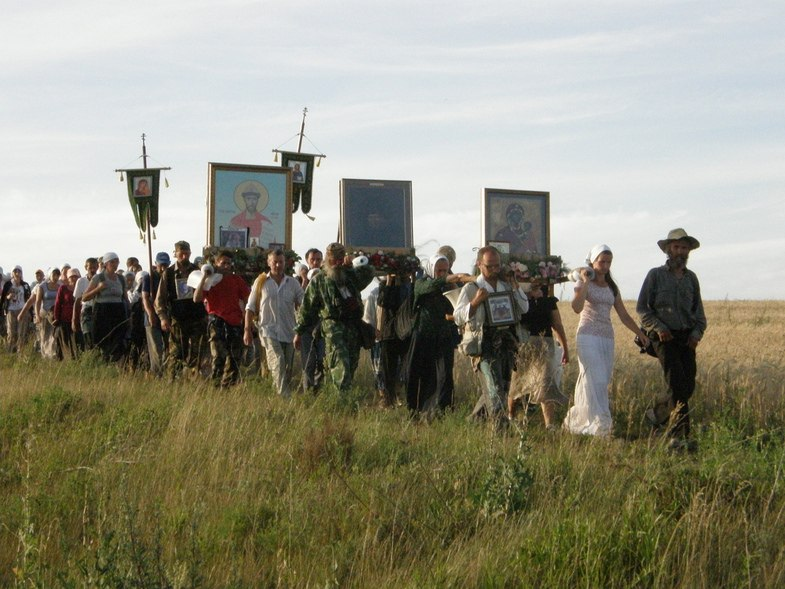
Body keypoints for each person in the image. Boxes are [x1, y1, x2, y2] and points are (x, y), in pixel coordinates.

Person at [563, 245, 650, 436]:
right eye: (601, 261)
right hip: (587, 335)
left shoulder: (612, 287)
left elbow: (623, 315)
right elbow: (576, 307)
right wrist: (585, 281)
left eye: (608, 262)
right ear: (592, 262)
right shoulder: (583, 283)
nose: (605, 266)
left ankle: (586, 419)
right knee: (595, 378)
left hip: (606, 337)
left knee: (601, 381)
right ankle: (601, 424)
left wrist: (640, 333)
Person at [637, 228, 706, 451]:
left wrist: (696, 334)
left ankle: (656, 414)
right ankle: (680, 437)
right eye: (676, 247)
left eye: (684, 247)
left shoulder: (691, 279)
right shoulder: (655, 275)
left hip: (686, 338)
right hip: (663, 337)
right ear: (668, 250)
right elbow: (643, 309)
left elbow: (699, 314)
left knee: (688, 386)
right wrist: (659, 328)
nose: (680, 251)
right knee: (676, 385)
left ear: (688, 251)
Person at [454, 246, 529, 424]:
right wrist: (475, 302)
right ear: (479, 264)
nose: (495, 270)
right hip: (484, 345)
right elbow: (457, 317)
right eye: (490, 266)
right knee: (495, 391)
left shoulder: (505, 285)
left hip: (506, 343)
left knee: (501, 388)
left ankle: (472, 423)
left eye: (497, 266)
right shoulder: (471, 288)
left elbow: (524, 308)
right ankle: (499, 432)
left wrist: (515, 286)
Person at [294, 242, 375, 393]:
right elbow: (307, 308)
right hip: (333, 328)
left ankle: (341, 397)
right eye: (333, 259)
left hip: (352, 328)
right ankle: (342, 401)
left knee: (351, 365)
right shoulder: (319, 280)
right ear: (327, 260)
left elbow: (370, 272)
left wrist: (353, 263)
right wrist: (299, 332)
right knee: (340, 365)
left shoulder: (351, 276)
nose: (337, 263)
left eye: (340, 258)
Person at [406, 255, 471, 414]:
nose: (442, 273)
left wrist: (455, 286)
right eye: (439, 270)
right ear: (431, 269)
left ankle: (442, 411)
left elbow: (458, 307)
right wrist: (448, 279)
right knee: (416, 372)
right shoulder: (422, 283)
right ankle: (414, 410)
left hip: (443, 336)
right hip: (422, 335)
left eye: (445, 270)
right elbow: (428, 287)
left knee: (444, 375)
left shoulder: (449, 287)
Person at [508, 284, 570, 430]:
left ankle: (550, 425)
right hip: (523, 345)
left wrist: (565, 349)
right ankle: (510, 417)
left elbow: (557, 325)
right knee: (517, 382)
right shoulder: (517, 297)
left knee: (546, 383)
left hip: (544, 345)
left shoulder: (548, 301)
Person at [244, 249, 303, 397]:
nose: (277, 265)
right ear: (269, 263)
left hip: (289, 331)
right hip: (268, 330)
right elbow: (250, 307)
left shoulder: (293, 283)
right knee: (278, 361)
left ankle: (274, 395)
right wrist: (247, 329)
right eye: (274, 262)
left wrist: (302, 328)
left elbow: (303, 304)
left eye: (280, 262)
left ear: (285, 263)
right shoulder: (261, 282)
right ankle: (285, 398)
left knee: (286, 368)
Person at [195, 250, 250, 387]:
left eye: (228, 263)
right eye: (223, 263)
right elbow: (197, 298)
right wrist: (204, 277)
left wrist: (248, 319)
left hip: (235, 323)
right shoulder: (210, 281)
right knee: (218, 357)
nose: (226, 266)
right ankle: (215, 385)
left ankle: (227, 388)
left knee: (234, 359)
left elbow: (247, 299)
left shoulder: (237, 280)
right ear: (216, 263)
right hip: (217, 321)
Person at [155, 241, 207, 380]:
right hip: (178, 319)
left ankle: (193, 381)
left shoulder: (197, 271)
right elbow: (159, 299)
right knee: (177, 353)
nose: (184, 256)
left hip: (197, 318)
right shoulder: (169, 273)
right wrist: (163, 318)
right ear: (175, 254)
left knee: (196, 352)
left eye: (186, 253)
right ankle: (172, 381)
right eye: (181, 254)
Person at [82, 252, 128, 362]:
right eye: (112, 262)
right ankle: (103, 364)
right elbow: (84, 297)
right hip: (102, 313)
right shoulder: (98, 278)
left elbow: (125, 297)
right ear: (106, 264)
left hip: (118, 312)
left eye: (117, 261)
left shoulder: (121, 279)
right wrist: (98, 289)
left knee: (117, 342)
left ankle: (115, 364)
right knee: (102, 342)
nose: (115, 264)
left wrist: (128, 313)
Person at [297, 248, 326, 392]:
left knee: (321, 360)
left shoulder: (325, 278)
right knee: (308, 361)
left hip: (322, 327)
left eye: (318, 260)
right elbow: (301, 300)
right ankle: (308, 391)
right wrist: (304, 280)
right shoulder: (300, 279)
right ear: (307, 261)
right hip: (306, 328)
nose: (315, 262)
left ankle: (318, 390)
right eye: (312, 259)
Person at [142, 252, 170, 377]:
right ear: (156, 264)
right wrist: (150, 314)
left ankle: (169, 373)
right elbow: (145, 297)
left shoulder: (169, 276)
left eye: (165, 265)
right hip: (152, 318)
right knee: (156, 349)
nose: (163, 268)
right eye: (161, 265)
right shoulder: (149, 277)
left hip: (167, 316)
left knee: (169, 348)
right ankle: (157, 375)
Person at [230, 181, 271, 246]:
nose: (251, 202)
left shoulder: (266, 222)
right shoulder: (235, 221)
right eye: (248, 199)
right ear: (244, 200)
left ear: (257, 200)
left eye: (254, 199)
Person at [53, 268, 80, 360]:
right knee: (65, 340)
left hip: (78, 318)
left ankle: (77, 358)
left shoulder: (81, 288)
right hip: (65, 318)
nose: (73, 279)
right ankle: (67, 358)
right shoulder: (63, 288)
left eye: (75, 277)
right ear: (68, 278)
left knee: (77, 340)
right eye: (71, 277)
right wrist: (56, 318)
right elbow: (57, 303)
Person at [34, 268, 62, 359]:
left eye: (57, 275)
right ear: (50, 275)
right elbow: (38, 302)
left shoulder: (60, 286)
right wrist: (37, 315)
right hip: (45, 313)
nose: (56, 277)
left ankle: (54, 355)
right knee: (45, 335)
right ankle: (45, 355)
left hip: (56, 314)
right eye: (54, 275)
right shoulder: (42, 286)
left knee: (55, 335)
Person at [2, 266, 31, 352]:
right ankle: (11, 352)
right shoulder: (8, 284)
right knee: (11, 332)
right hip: (11, 310)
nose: (17, 273)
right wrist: (8, 297)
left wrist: (29, 311)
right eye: (15, 271)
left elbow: (29, 298)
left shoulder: (25, 285)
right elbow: (3, 298)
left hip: (22, 310)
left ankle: (20, 352)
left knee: (21, 332)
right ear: (12, 273)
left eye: (19, 271)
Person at [73, 257, 99, 349]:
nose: (92, 270)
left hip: (98, 309)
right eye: (90, 267)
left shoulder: (100, 279)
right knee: (88, 336)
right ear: (86, 268)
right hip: (86, 310)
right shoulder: (81, 281)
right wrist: (74, 319)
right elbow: (77, 301)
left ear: (97, 267)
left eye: (94, 267)